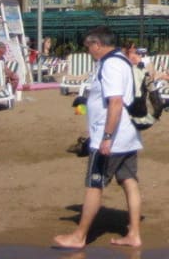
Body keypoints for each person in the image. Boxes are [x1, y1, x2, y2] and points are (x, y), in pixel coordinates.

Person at [52, 26, 142, 249]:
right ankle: (134, 234)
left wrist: (107, 137)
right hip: (127, 135)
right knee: (129, 181)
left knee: (94, 184)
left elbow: (115, 102)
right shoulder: (121, 60)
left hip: (113, 136)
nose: (88, 50)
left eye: (88, 46)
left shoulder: (111, 65)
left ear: (98, 44)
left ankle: (79, 236)